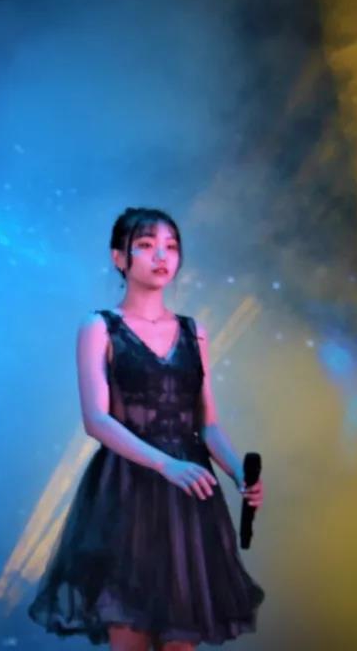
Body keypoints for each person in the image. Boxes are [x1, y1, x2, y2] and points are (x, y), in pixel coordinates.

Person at [29, 207, 264, 650]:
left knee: (181, 637)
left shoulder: (194, 331)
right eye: (146, 245)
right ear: (119, 258)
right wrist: (164, 464)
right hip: (126, 490)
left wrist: (238, 474)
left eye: (171, 247)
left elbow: (207, 423)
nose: (161, 256)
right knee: (129, 630)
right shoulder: (99, 327)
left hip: (189, 496)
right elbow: (96, 420)